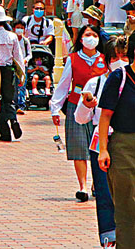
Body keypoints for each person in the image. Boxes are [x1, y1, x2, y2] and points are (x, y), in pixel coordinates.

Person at [76, 35, 128, 248]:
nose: (120, 61)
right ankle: (109, 238)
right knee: (105, 194)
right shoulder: (96, 83)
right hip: (101, 144)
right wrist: (87, 105)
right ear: (106, 60)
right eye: (116, 57)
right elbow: (80, 119)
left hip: (127, 142)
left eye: (124, 56)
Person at [50, 23, 109, 202]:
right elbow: (64, 84)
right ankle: (82, 186)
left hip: (99, 109)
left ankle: (96, 184)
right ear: (81, 39)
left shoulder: (105, 59)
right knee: (79, 147)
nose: (90, 38)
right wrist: (55, 107)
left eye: (93, 35)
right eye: (86, 35)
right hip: (76, 105)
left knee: (98, 146)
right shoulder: (73, 58)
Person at [97, 38, 135, 248]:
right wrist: (103, 150)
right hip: (124, 147)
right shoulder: (119, 77)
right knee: (127, 206)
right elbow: (105, 116)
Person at [0, 6, 24, 141]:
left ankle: (5, 132)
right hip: (8, 70)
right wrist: (22, 74)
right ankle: (13, 119)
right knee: (9, 99)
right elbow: (18, 57)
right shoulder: (12, 36)